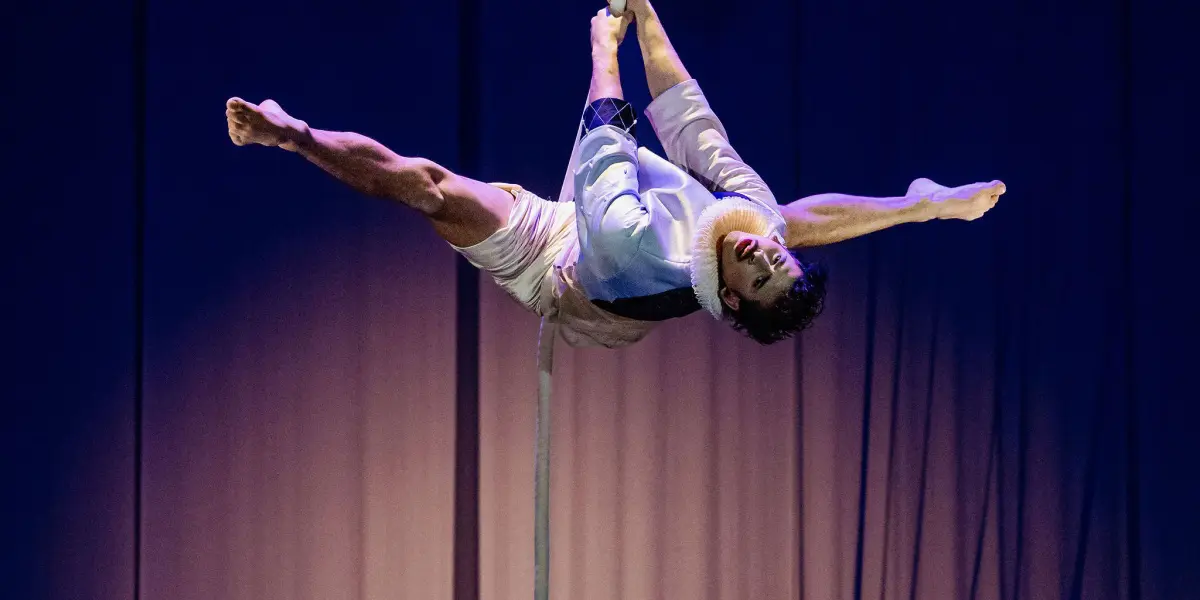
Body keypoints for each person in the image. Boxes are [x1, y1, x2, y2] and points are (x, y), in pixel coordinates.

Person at [224, 2, 1004, 348]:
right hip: (612, 215)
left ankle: (294, 139)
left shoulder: (643, 253)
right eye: (778, 261)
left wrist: (606, 47)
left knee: (431, 190)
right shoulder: (755, 227)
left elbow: (606, 154)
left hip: (566, 267)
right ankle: (918, 205)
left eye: (761, 275)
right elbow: (689, 118)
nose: (766, 255)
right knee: (782, 211)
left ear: (733, 296)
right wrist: (645, 12)